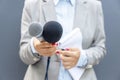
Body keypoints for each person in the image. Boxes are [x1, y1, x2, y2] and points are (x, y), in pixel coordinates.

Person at [19, 0, 106, 80]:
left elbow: (100, 48)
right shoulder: (32, 4)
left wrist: (82, 58)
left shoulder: (94, 6)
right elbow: (24, 54)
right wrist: (35, 48)